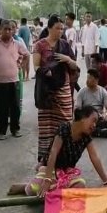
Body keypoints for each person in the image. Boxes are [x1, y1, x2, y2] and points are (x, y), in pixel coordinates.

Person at [9, 106, 107, 196]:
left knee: (80, 185)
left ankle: (53, 188)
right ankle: (27, 186)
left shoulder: (86, 137)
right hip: (51, 168)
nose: (95, 125)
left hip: (66, 171)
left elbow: (95, 157)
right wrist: (47, 179)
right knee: (33, 189)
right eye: (93, 120)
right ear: (83, 118)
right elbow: (53, 153)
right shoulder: (64, 128)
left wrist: (106, 180)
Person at [32, 15, 78, 163]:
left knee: (65, 121)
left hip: (63, 88)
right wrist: (47, 72)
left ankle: (64, 155)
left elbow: (74, 66)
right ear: (49, 28)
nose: (60, 31)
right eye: (57, 28)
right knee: (47, 125)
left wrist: (68, 59)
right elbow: (36, 67)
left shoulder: (64, 45)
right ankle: (46, 157)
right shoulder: (40, 45)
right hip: (47, 91)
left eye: (61, 29)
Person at [0, 20, 30, 140]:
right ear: (1, 29)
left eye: (10, 29)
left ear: (13, 30)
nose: (8, 31)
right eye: (5, 29)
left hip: (14, 80)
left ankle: (15, 129)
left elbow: (27, 55)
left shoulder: (17, 43)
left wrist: (21, 64)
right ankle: (0, 132)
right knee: (1, 108)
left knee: (15, 107)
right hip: (0, 82)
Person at [76, 69, 107, 138]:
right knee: (78, 121)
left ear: (96, 80)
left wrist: (106, 114)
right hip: (86, 117)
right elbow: (77, 109)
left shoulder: (102, 91)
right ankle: (98, 132)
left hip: (98, 118)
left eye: (90, 78)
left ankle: (90, 130)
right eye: (87, 78)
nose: (87, 80)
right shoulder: (82, 92)